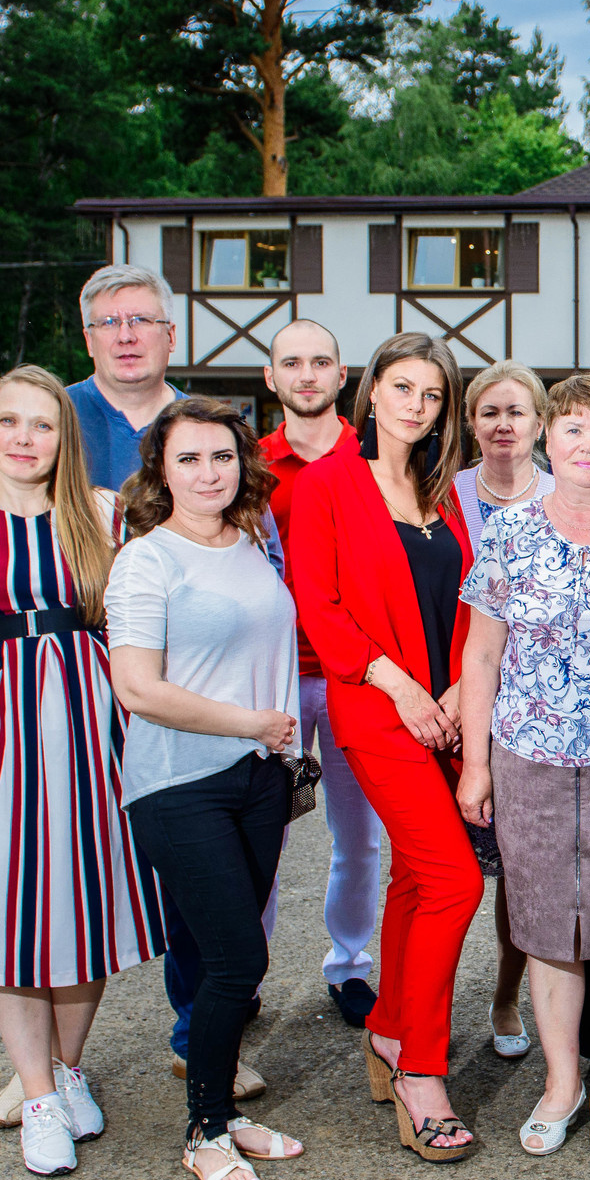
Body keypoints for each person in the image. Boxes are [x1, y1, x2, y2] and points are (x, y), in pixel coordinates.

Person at [0, 267, 226, 1129]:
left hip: (187, 678)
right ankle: (47, 1071)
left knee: (193, 868)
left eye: (142, 319)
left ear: (171, 334)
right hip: (78, 686)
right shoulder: (54, 415)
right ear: (88, 335)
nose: (127, 334)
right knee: (52, 877)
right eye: (110, 322)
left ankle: (202, 1033)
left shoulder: (205, 425)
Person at [0, 365, 158, 1177]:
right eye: (9, 422)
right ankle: (38, 1095)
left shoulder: (107, 516)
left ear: (62, 436)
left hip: (93, 734)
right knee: (10, 921)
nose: (24, 438)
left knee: (84, 910)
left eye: (41, 425)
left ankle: (71, 1069)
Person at [456, 374, 590, 1159]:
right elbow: (482, 653)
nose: (589, 445)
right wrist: (475, 766)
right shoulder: (508, 532)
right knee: (546, 922)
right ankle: (561, 1079)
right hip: (530, 754)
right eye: (574, 429)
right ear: (549, 439)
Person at [291, 332, 484, 1164]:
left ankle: (386, 1030)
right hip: (376, 709)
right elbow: (320, 604)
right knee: (455, 878)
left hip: (445, 712)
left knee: (415, 874)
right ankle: (422, 1073)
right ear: (370, 394)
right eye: (402, 387)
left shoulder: (442, 491)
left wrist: (452, 693)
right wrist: (403, 687)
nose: (416, 404)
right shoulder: (330, 482)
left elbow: (471, 597)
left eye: (432, 394)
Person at [108, 399, 307, 1180]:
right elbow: (138, 688)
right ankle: (202, 1132)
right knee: (236, 958)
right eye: (188, 459)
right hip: (179, 783)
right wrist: (249, 720)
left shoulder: (252, 540)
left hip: (258, 779)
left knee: (232, 963)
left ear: (242, 463)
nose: (207, 472)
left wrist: (275, 741)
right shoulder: (147, 560)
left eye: (221, 456)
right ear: (161, 469)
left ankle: (222, 1107)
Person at [258, 320, 389, 1032]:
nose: (306, 374)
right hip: (270, 680)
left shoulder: (374, 457)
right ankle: (246, 970)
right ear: (270, 377)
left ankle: (348, 965)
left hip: (353, 672)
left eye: (320, 362)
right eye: (291, 363)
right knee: (262, 833)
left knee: (358, 833)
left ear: (343, 377)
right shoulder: (246, 465)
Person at [449, 359, 559, 1061]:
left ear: (540, 423)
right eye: (489, 411)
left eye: (516, 411)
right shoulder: (447, 493)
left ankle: (504, 994)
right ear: (471, 422)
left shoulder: (563, 492)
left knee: (520, 877)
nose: (503, 424)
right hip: (447, 700)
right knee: (446, 872)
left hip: (530, 714)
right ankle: (422, 1006)